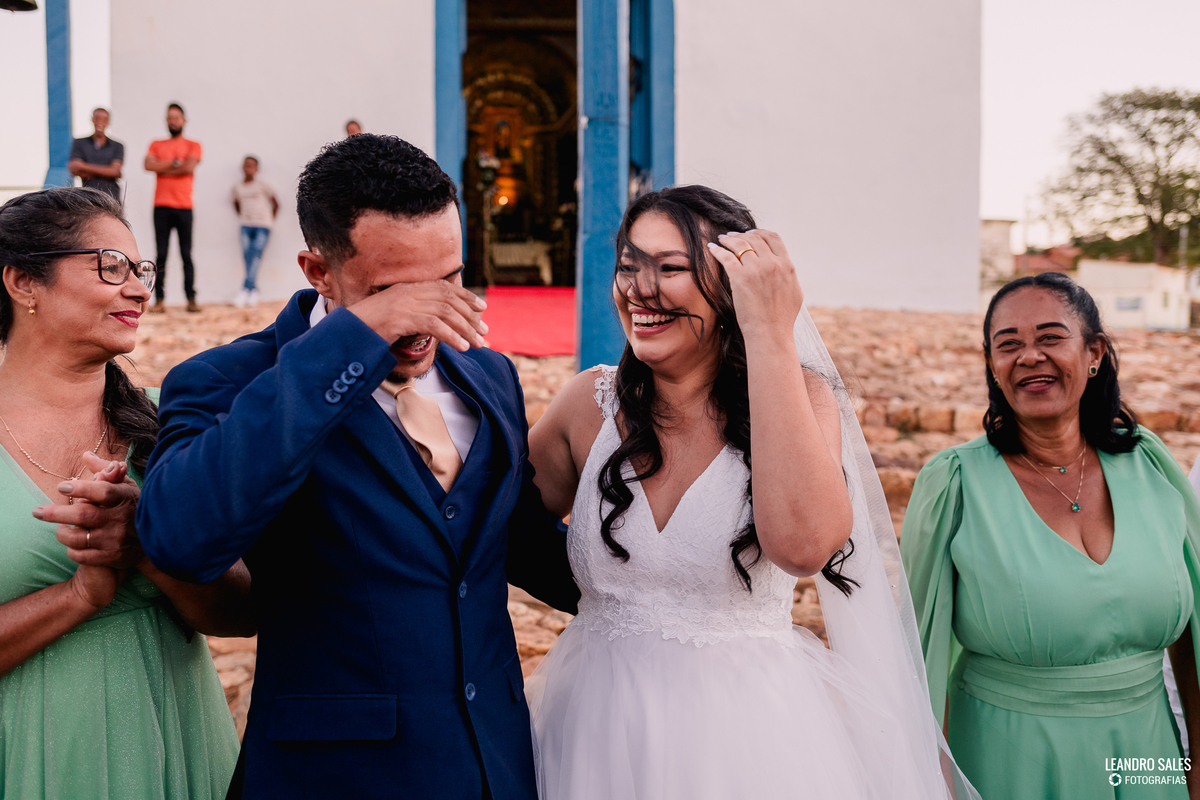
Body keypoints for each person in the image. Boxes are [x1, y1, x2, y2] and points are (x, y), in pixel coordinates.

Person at [135, 134, 579, 800]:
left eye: (449, 279)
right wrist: (353, 341)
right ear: (317, 270)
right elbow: (180, 538)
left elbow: (509, 541)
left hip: (496, 763)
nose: (427, 314)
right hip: (335, 776)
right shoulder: (225, 380)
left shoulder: (490, 376)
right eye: (392, 290)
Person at [524, 185, 976, 799]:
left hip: (743, 740)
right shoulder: (588, 405)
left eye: (671, 268)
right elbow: (497, 521)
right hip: (593, 726)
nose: (639, 289)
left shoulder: (801, 402)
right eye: (628, 267)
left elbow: (804, 546)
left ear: (735, 289)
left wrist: (768, 332)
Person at [901, 272, 1200, 798]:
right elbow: (915, 653)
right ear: (992, 366)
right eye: (1007, 344)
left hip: (1149, 756)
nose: (1029, 356)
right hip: (1007, 760)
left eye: (1050, 337)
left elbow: (1194, 641)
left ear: (1094, 353)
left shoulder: (1149, 463)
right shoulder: (954, 482)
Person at [0, 187, 253, 799]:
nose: (140, 289)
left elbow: (241, 612)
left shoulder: (172, 425)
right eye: (110, 266)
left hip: (179, 735)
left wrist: (144, 546)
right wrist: (79, 595)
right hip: (32, 749)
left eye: (142, 271)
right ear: (22, 282)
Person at [144, 102, 202, 313]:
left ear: (184, 120)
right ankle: (159, 301)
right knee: (161, 255)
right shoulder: (156, 144)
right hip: (161, 206)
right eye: (169, 117)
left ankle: (191, 299)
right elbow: (148, 165)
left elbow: (189, 166)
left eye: (176, 117)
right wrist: (175, 163)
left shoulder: (193, 145)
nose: (173, 121)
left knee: (186, 254)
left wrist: (164, 167)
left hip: (184, 206)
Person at [230, 155, 278, 308]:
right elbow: (236, 204)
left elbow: (275, 203)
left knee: (256, 255)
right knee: (247, 256)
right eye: (246, 165)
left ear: (256, 169)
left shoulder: (263, 185)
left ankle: (246, 290)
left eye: (251, 165)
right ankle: (252, 289)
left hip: (263, 225)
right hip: (245, 225)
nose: (248, 168)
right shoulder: (237, 187)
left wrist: (270, 220)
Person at [68, 107, 124, 202]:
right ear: (92, 120)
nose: (100, 122)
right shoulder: (79, 143)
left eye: (104, 119)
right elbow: (74, 168)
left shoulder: (117, 146)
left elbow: (115, 171)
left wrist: (83, 166)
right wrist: (106, 171)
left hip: (111, 197)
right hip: (87, 196)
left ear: (108, 122)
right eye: (97, 118)